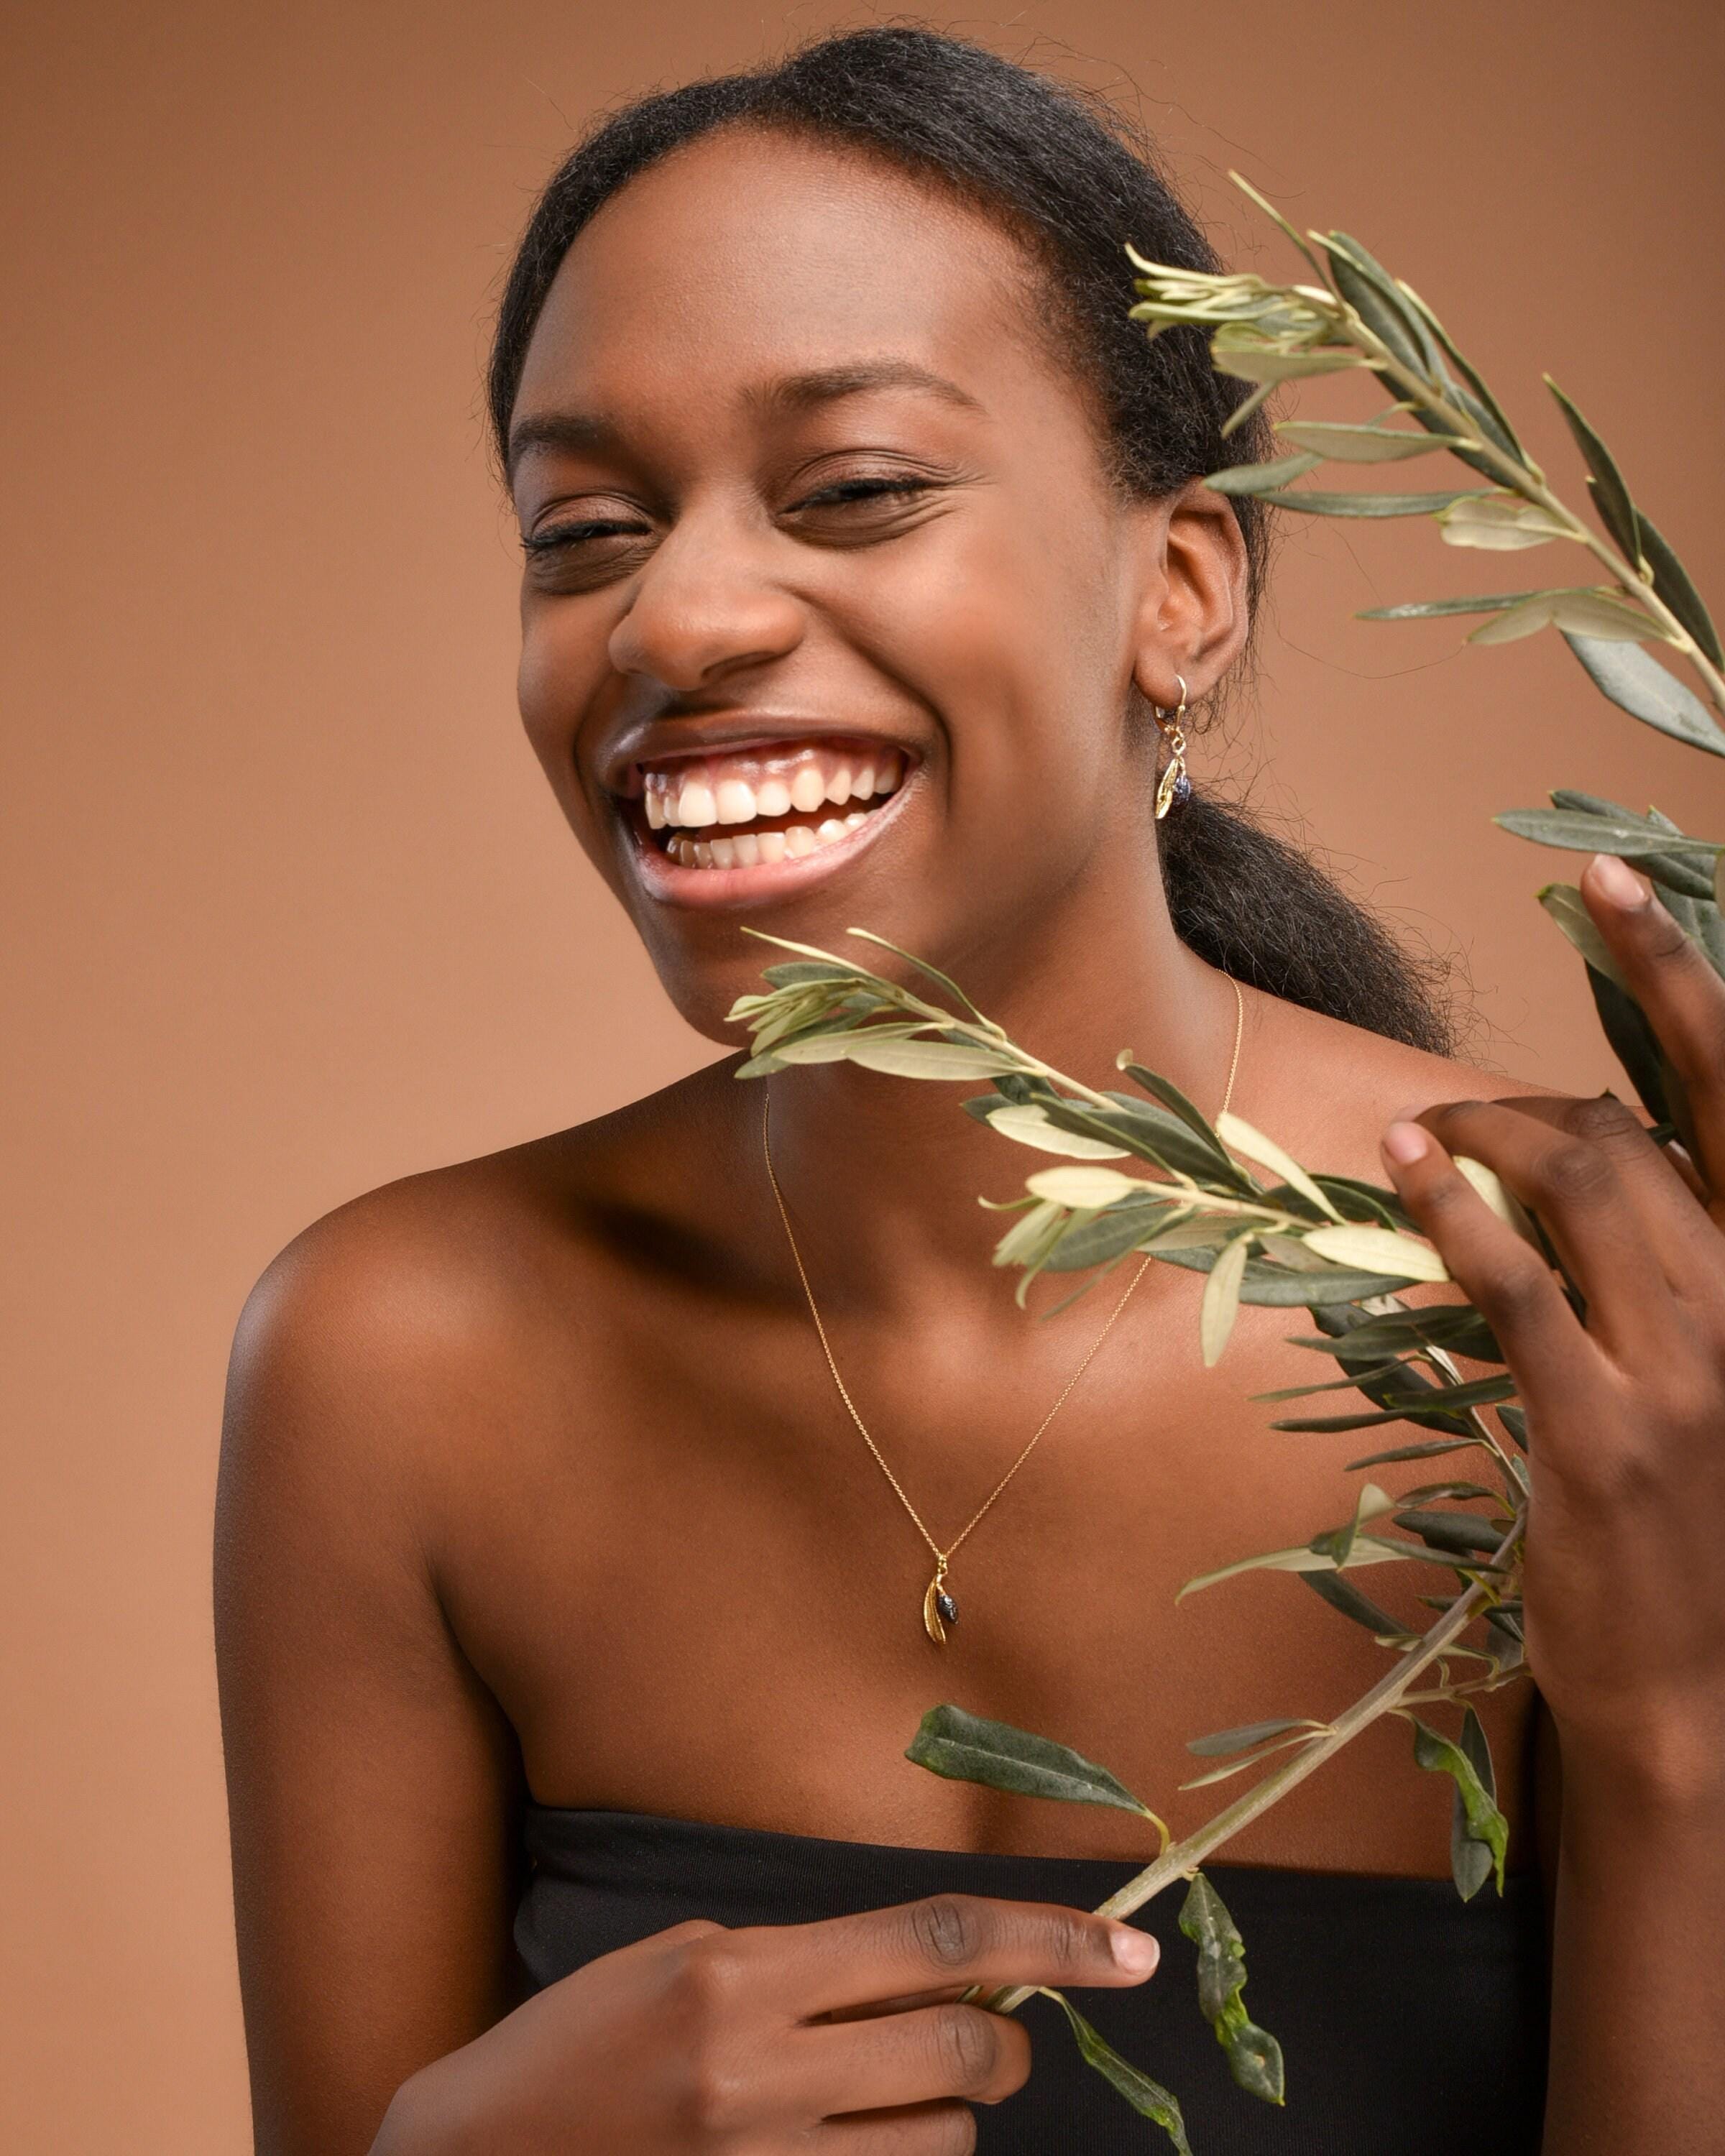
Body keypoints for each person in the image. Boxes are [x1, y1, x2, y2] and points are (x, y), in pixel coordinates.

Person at [213, 26, 1725, 2156]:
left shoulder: (1575, 1332)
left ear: (1180, 587)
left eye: (855, 491)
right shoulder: (395, 1366)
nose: (682, 613)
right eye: (584, 530)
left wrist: (1678, 1726)